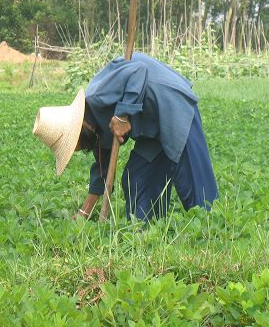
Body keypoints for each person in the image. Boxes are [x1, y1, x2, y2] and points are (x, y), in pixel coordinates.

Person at [33, 52, 218, 221]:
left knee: (194, 184)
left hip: (172, 105)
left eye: (75, 143)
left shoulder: (98, 94)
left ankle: (211, 228)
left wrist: (122, 115)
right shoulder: (95, 131)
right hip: (150, 127)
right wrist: (84, 212)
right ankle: (144, 230)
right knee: (137, 177)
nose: (79, 149)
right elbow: (102, 168)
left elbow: (138, 70)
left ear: (81, 128)